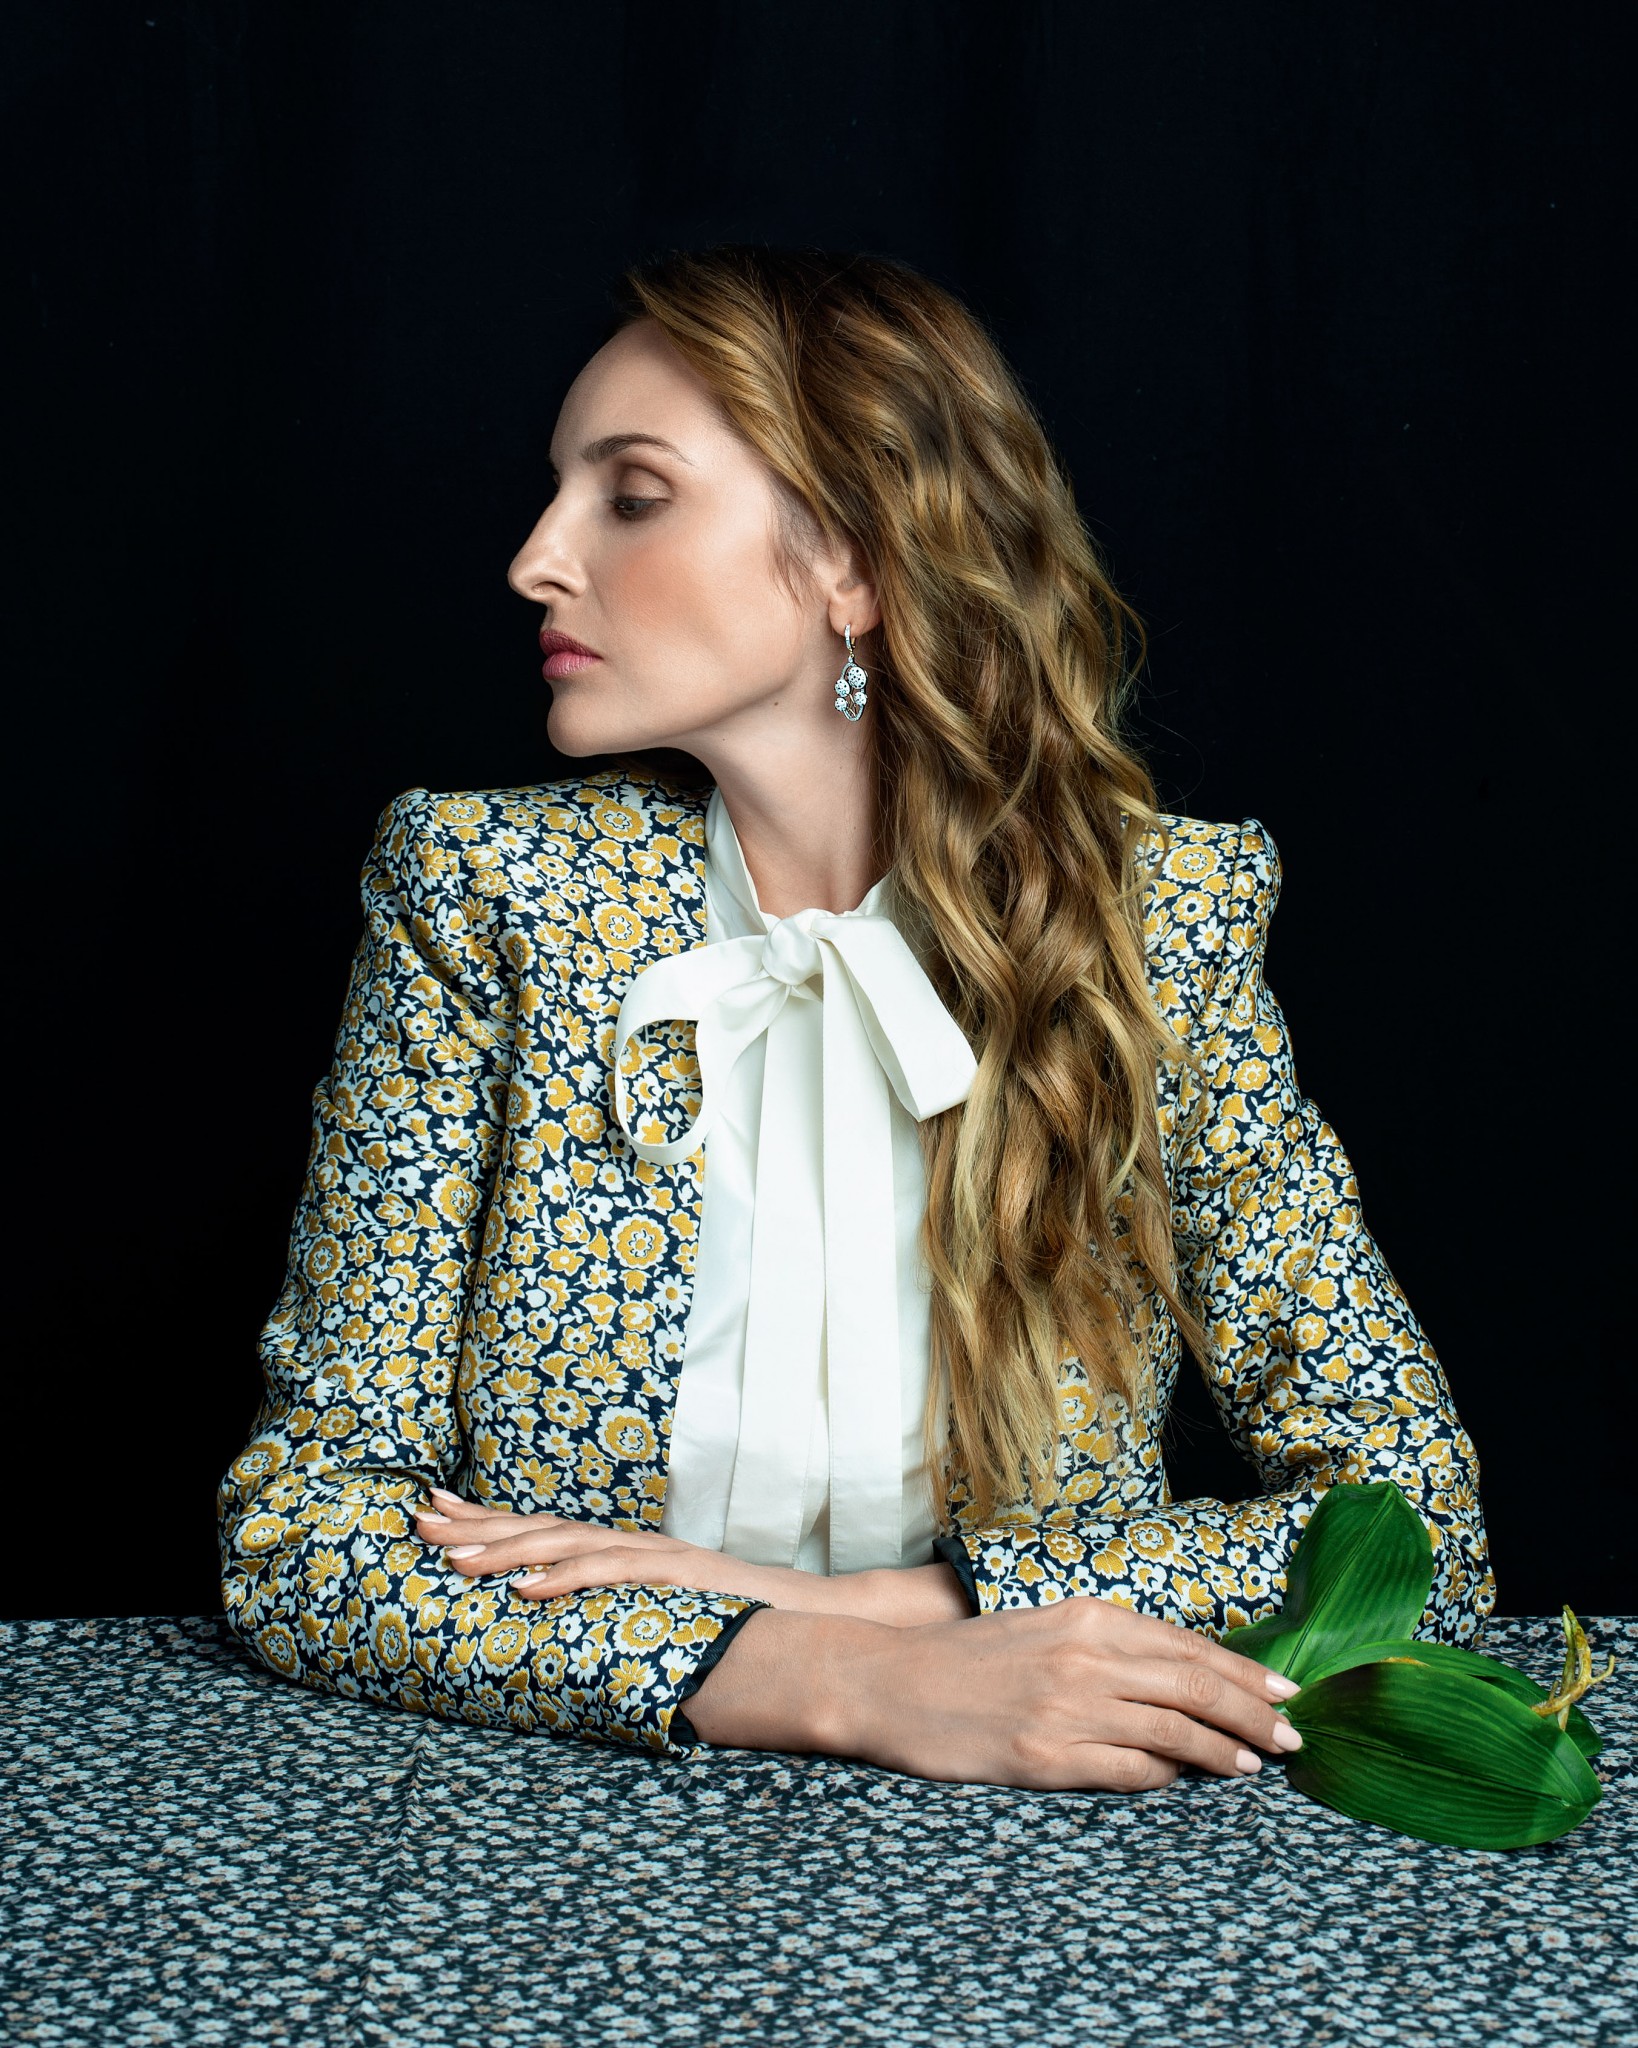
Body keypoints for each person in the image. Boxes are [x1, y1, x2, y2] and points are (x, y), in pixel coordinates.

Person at [216, 244, 1493, 1793]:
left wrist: (905, 1614)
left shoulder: (1153, 926)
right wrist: (823, 1675)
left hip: (1047, 1845)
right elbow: (305, 1534)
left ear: (855, 562)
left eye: (630, 495)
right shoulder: (488, 898)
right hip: (556, 1811)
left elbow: (1411, 1527)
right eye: (560, 494)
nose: (536, 561)